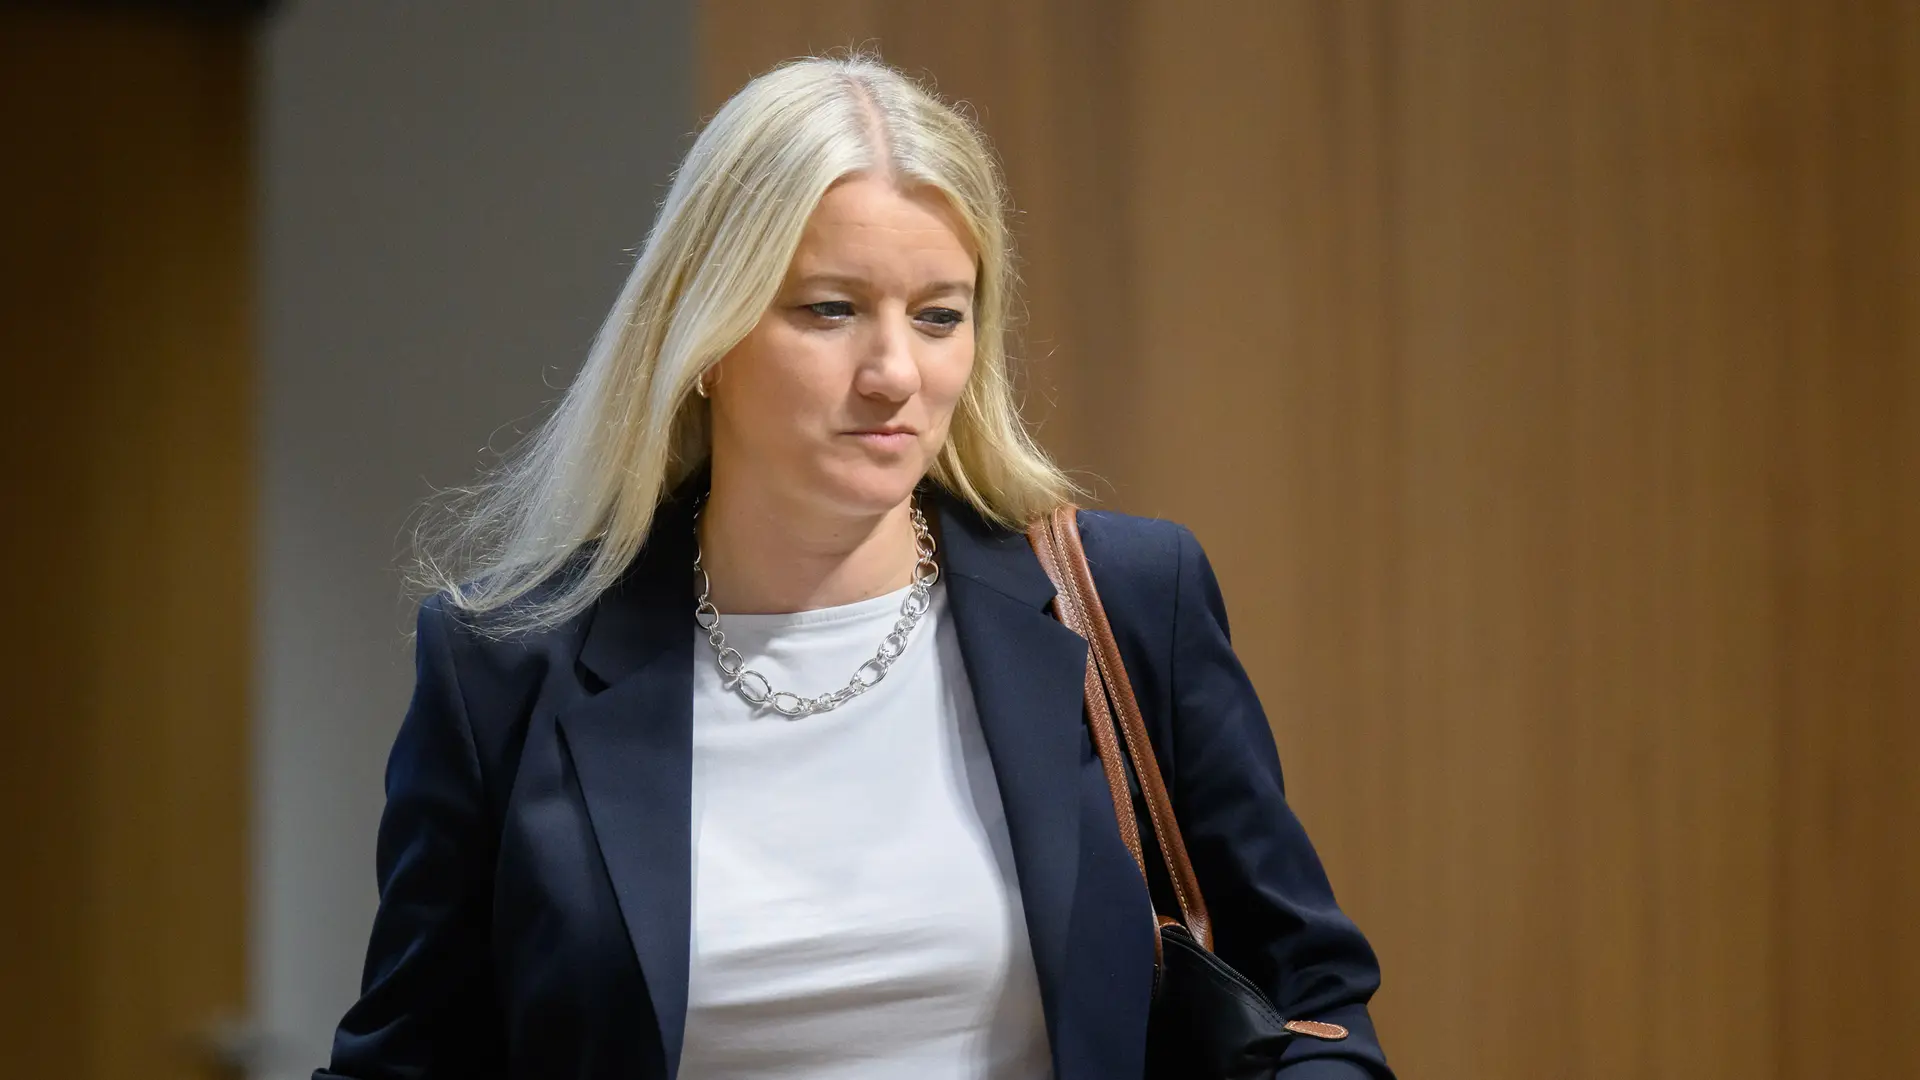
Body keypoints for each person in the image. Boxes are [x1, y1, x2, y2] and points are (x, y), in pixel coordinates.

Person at [316, 54, 1391, 1080]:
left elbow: (1317, 998)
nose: (894, 373)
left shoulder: (1126, 599)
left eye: (939, 316)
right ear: (705, 334)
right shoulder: (502, 664)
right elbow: (407, 1058)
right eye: (830, 310)